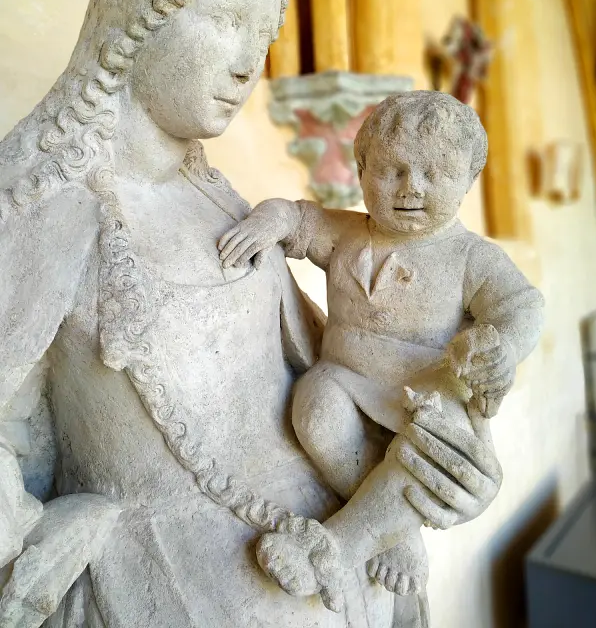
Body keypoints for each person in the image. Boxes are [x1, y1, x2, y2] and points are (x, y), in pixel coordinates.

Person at [0, 0, 503, 628]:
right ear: (137, 21)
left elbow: (341, 371)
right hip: (172, 587)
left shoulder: (227, 202)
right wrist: (52, 527)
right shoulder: (48, 205)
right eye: (226, 21)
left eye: (261, 38)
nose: (247, 64)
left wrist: (440, 469)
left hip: (347, 569)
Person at [219, 92, 544, 608]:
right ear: (361, 168)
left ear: (468, 180)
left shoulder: (467, 257)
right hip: (347, 378)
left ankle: (340, 547)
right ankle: (396, 529)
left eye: (435, 174)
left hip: (429, 390)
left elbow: (523, 305)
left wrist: (502, 348)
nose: (412, 187)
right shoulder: (348, 232)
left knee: (435, 445)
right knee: (314, 404)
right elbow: (301, 220)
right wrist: (273, 219)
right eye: (391, 170)